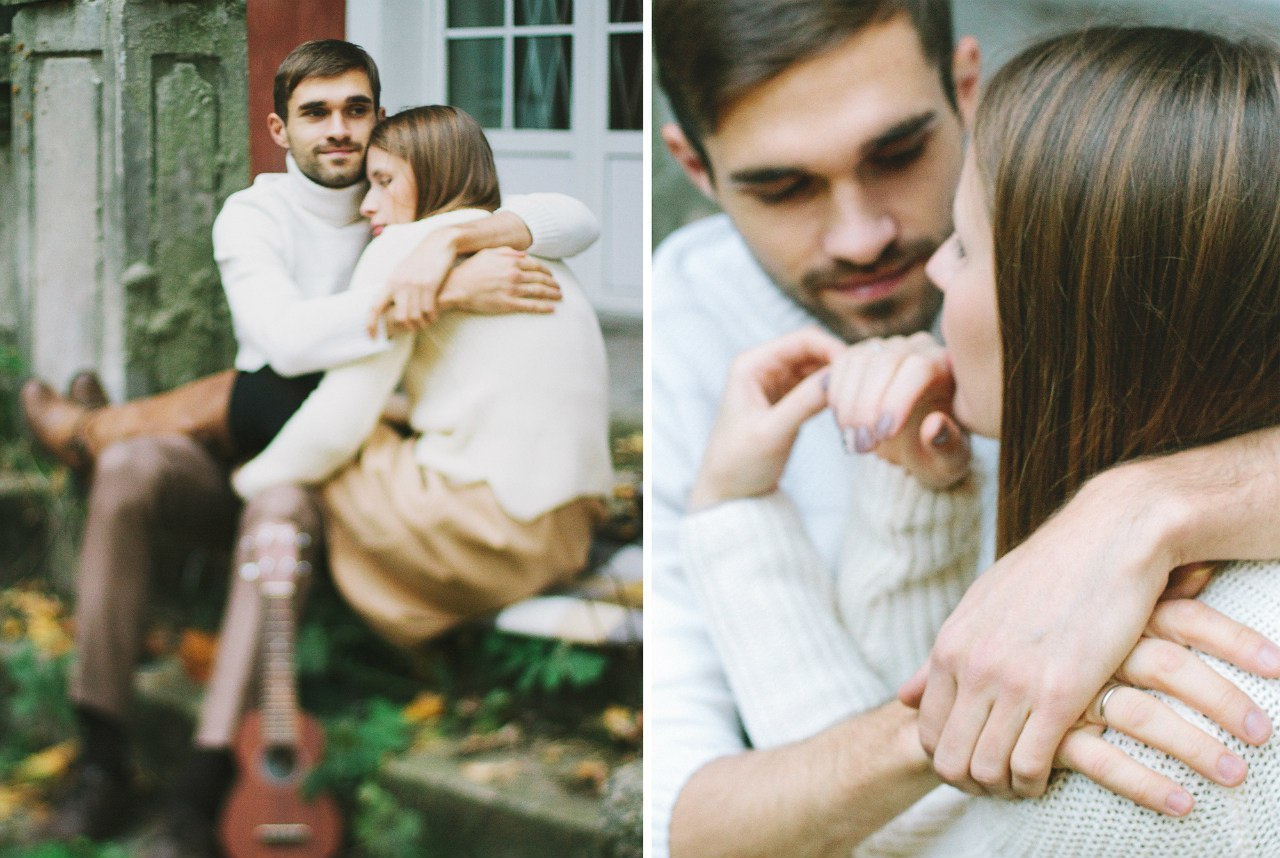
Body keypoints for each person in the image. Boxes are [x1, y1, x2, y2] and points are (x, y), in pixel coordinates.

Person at [649, 1, 1280, 855]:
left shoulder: (1183, 728)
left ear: (965, 88)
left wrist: (1146, 508)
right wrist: (965, 679)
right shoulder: (683, 325)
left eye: (900, 154)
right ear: (694, 165)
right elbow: (693, 818)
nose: (864, 239)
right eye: (783, 187)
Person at [24, 39, 601, 856]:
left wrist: (444, 253)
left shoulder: (406, 204)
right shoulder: (255, 215)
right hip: (274, 424)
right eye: (316, 112)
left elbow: (576, 216)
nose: (338, 129)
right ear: (280, 128)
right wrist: (435, 292)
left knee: (276, 503)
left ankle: (203, 787)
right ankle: (101, 756)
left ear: (380, 119)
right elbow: (286, 342)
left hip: (322, 456)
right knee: (129, 469)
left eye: (356, 110)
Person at [229, 103, 613, 650]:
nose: (368, 204)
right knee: (376, 421)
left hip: (488, 539)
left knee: (316, 438)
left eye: (384, 182)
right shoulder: (528, 244)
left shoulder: (403, 252)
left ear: (436, 173)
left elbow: (339, 422)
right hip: (568, 536)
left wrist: (247, 484)